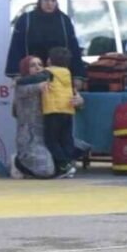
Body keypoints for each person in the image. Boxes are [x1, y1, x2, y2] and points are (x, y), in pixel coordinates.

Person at [5, 0, 86, 87]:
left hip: (59, 76)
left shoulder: (64, 21)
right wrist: (16, 74)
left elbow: (73, 48)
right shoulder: (26, 20)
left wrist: (77, 76)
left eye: (53, 0)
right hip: (32, 77)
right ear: (40, 0)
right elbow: (16, 47)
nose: (50, 3)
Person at [12, 55, 56, 179]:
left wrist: (79, 101)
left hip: (50, 133)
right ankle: (19, 162)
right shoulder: (20, 86)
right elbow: (31, 88)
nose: (37, 68)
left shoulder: (49, 81)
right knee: (46, 171)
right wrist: (40, 86)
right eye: (32, 65)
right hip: (31, 137)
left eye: (40, 65)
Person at [41, 47, 81, 178]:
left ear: (49, 60)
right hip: (68, 110)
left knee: (51, 140)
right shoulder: (67, 73)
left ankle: (64, 165)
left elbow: (33, 80)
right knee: (66, 139)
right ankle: (69, 164)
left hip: (52, 110)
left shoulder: (47, 72)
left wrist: (20, 80)